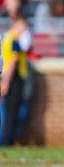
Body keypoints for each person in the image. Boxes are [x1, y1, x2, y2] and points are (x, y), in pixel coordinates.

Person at [0, 17, 31, 146]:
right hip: (13, 80)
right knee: (12, 112)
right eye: (23, 27)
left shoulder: (7, 38)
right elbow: (13, 61)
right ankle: (7, 141)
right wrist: (6, 81)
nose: (24, 31)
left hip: (8, 77)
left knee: (9, 111)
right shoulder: (14, 40)